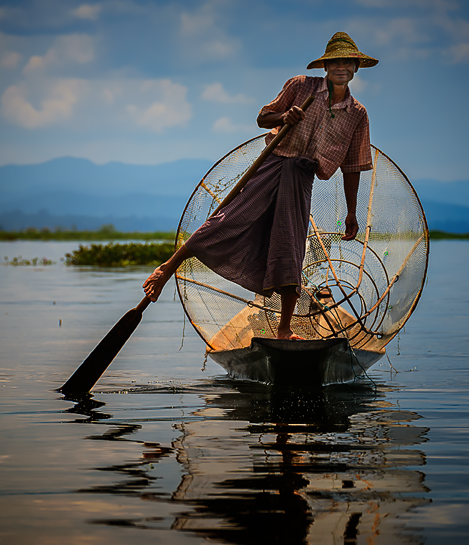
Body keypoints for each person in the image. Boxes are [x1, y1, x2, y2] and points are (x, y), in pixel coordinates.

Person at [143, 32, 377, 340]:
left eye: (348, 62)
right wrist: (285, 115)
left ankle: (283, 329)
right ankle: (167, 268)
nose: (341, 68)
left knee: (290, 247)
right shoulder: (301, 86)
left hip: (301, 177)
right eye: (336, 62)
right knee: (229, 220)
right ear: (326, 66)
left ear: (356, 68)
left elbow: (352, 167)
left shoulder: (357, 114)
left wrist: (351, 212)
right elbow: (263, 118)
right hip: (273, 163)